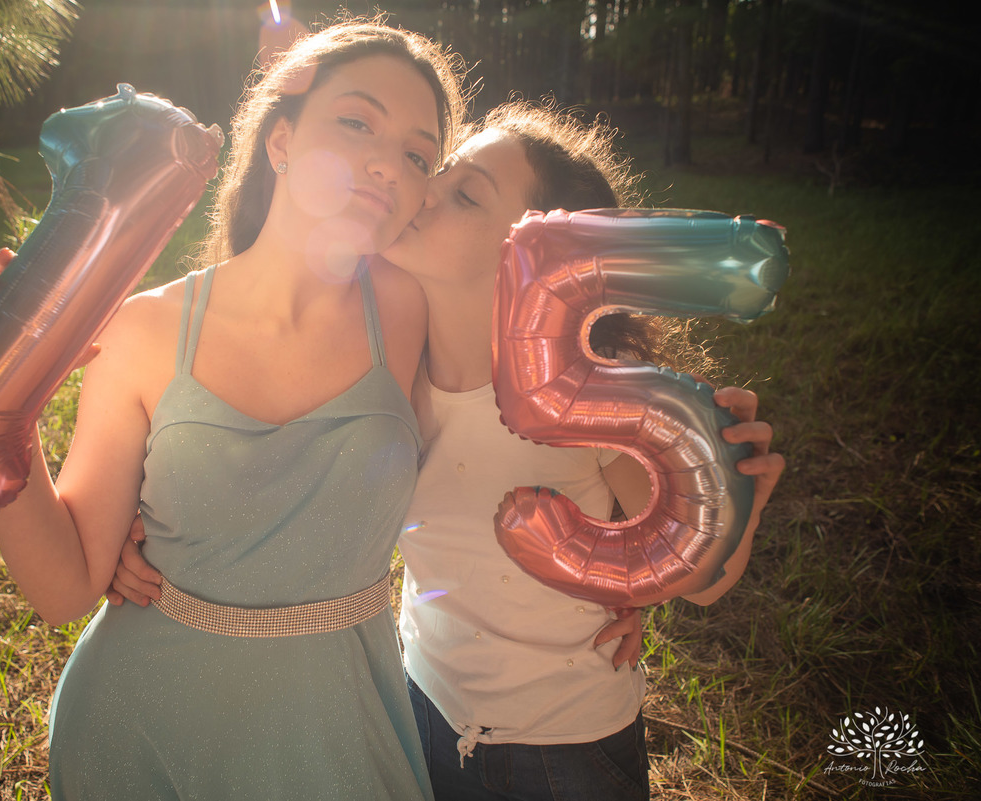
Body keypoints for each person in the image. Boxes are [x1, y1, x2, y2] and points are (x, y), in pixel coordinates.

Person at [111, 101, 785, 801]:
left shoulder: (592, 395)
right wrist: (144, 526)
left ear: (541, 262)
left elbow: (702, 579)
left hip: (565, 746)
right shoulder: (386, 365)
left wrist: (738, 502)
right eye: (441, 172)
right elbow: (267, 458)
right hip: (420, 707)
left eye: (466, 194)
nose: (425, 191)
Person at [0, 19, 469, 800]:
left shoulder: (419, 309)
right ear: (280, 140)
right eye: (356, 121)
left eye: (418, 155)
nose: (388, 164)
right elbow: (65, 586)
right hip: (143, 729)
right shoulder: (144, 329)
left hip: (341, 727)